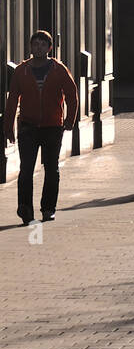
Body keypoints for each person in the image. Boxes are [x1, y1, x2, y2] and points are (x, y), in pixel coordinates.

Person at [4, 31, 79, 223]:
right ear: (30, 47)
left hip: (52, 126)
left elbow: (72, 94)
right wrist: (8, 127)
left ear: (49, 48)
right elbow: (12, 99)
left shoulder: (58, 69)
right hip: (28, 126)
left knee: (52, 168)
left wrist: (70, 119)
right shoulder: (22, 70)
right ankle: (25, 208)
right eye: (35, 44)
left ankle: (48, 208)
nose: (38, 48)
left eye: (42, 44)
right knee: (26, 169)